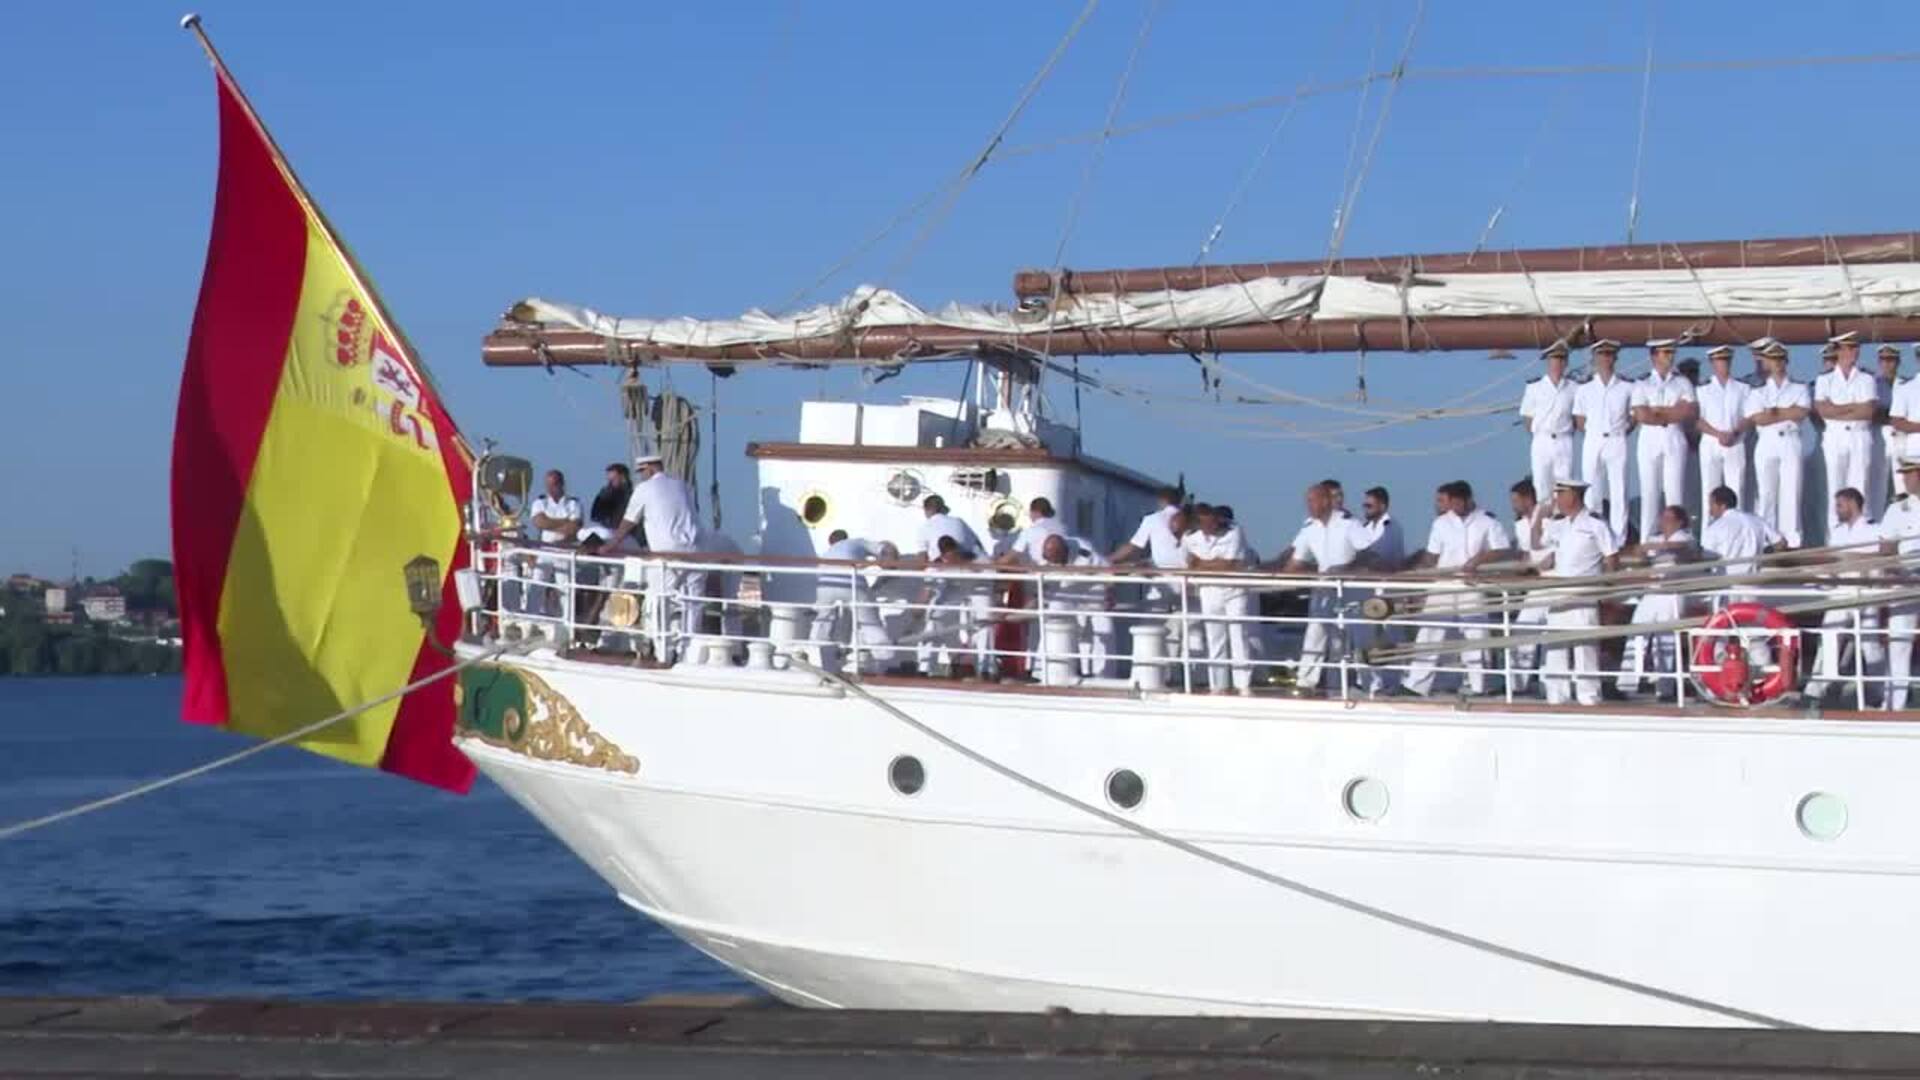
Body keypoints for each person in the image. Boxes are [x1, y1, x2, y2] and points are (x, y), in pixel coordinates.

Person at [1402, 481, 1509, 697]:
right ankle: (1417, 684)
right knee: (1430, 632)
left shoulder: (1487, 521)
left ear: (1467, 499)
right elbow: (1432, 555)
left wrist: (1478, 560)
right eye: (1450, 503)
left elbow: (1501, 549)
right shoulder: (1441, 523)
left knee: (1476, 635)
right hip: (1444, 583)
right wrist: (1418, 577)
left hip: (1472, 585)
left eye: (1457, 503)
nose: (1453, 507)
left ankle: (1479, 686)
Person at [1283, 482, 1383, 695]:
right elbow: (1296, 562)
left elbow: (1369, 555)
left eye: (1313, 500)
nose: (1309, 505)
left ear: (1326, 501)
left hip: (1352, 590)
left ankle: (1371, 686)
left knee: (1358, 638)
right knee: (1315, 633)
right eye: (1308, 501)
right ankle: (1307, 683)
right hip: (1324, 590)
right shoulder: (1310, 528)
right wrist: (1271, 575)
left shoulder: (1350, 524)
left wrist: (1345, 568)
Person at [603, 453, 705, 659]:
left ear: (650, 468)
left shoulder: (644, 489)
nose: (641, 475)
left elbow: (629, 522)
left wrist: (610, 545)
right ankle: (689, 651)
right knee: (692, 602)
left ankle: (662, 651)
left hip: (666, 554)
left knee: (658, 600)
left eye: (642, 471)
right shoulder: (682, 485)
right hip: (695, 550)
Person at [1535, 479, 1621, 706]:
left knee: (1585, 649)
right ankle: (1557, 696)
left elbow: (1612, 556)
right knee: (1556, 647)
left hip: (1584, 593)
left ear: (1574, 495)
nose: (1557, 499)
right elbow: (1538, 544)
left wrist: (1607, 586)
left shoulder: (1595, 524)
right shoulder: (1560, 525)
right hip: (1559, 592)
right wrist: (1539, 517)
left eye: (1561, 494)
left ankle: (1589, 696)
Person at [1804, 488, 1885, 704]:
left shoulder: (1874, 530)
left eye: (1839, 505)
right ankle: (1819, 687)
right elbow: (1832, 562)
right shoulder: (1838, 532)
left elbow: (1880, 561)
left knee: (1869, 642)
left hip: (1866, 592)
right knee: (1829, 636)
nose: (1836, 510)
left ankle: (1880, 691)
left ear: (1852, 504)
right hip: (1841, 591)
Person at [1617, 505, 1696, 700]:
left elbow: (1680, 547)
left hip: (1672, 594)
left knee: (1665, 641)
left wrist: (1653, 547)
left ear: (1679, 522)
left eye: (1669, 519)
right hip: (1652, 592)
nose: (1664, 522)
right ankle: (1626, 685)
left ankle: (1665, 688)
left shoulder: (1685, 537)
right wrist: (1643, 550)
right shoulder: (1656, 539)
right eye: (1663, 518)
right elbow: (1638, 552)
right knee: (1636, 633)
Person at [1743, 338, 1810, 548]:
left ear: (1786, 361)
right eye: (1773, 359)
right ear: (1766, 362)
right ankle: (1768, 539)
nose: (1778, 363)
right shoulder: (1758, 391)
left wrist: (1773, 412)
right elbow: (1757, 418)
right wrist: (1786, 412)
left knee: (1792, 490)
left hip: (1790, 439)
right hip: (1767, 440)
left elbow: (1801, 413)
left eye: (1781, 359)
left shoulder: (1799, 387)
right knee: (1766, 493)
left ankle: (1792, 540)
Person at [1182, 503, 1254, 694]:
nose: (1212, 526)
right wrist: (1211, 564)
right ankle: (1218, 685)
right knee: (1215, 638)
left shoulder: (1234, 531)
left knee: (1239, 635)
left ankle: (1243, 685)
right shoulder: (1190, 538)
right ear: (1198, 524)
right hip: (1209, 590)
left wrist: (1202, 564)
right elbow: (1189, 565)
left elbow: (1230, 564)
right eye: (1206, 523)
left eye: (1213, 521)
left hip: (1234, 590)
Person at [1630, 339, 1696, 542]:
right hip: (1650, 437)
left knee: (1675, 490)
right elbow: (1641, 414)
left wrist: (1658, 411)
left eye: (1671, 352)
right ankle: (1647, 539)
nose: (1670, 356)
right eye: (1665, 352)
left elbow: (1688, 411)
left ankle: (1678, 538)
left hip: (1674, 435)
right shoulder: (1642, 383)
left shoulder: (1682, 382)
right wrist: (1671, 411)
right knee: (1649, 491)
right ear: (1654, 356)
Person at [1815, 331, 1878, 531]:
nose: (1854, 351)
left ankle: (1861, 532)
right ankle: (1835, 531)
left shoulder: (1867, 378)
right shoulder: (1825, 379)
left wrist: (1837, 409)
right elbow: (1823, 410)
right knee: (1835, 484)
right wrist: (1853, 407)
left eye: (1856, 347)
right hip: (1835, 436)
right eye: (1849, 348)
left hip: (1859, 435)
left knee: (1860, 485)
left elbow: (1868, 411)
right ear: (1839, 351)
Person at [1573, 339, 1635, 539]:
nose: (1606, 359)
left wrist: (1623, 431)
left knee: (1619, 489)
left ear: (1615, 358)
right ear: (1595, 358)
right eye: (1602, 355)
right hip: (1593, 438)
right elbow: (1579, 419)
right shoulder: (1584, 388)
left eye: (1609, 355)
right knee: (1592, 490)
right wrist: (1593, 433)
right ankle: (1595, 536)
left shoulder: (1627, 386)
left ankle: (1619, 537)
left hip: (1617, 439)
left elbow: (1633, 415)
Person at [811, 529, 894, 673]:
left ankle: (817, 657)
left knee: (823, 621)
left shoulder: (827, 554)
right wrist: (884, 562)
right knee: (869, 622)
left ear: (831, 542)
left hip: (825, 585)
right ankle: (884, 661)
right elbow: (885, 549)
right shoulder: (858, 542)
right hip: (851, 583)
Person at [1879, 459, 1920, 710]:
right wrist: (1891, 570)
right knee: (1899, 642)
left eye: (1909, 473)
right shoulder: (1898, 509)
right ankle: (1895, 704)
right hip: (1906, 580)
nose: (1904, 479)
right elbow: (1886, 547)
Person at [1506, 479, 1553, 692]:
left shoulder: (1549, 518)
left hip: (1553, 579)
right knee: (1525, 629)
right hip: (1536, 584)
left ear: (1527, 499)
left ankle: (1545, 684)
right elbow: (1528, 554)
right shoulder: (1519, 525)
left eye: (1516, 500)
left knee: (1547, 634)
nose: (1513, 505)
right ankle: (1517, 684)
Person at [1699, 485, 1784, 604]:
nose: (1709, 510)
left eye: (1711, 505)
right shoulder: (1757, 521)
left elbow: (1706, 559)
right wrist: (1762, 551)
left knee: (1727, 614)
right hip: (1753, 582)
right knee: (1751, 614)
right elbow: (1780, 543)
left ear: (1722, 505)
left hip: (1727, 584)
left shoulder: (1715, 528)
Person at [1696, 345, 1750, 517]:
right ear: (1712, 363)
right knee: (1709, 489)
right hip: (1711, 441)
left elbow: (1749, 416)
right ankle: (1709, 529)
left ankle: (1737, 526)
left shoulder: (1743, 388)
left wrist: (1734, 432)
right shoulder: (1702, 389)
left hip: (1735, 441)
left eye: (1726, 360)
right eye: (1719, 360)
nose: (1723, 364)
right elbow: (1697, 419)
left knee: (1737, 488)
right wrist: (1718, 434)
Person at [1520, 342, 1578, 501]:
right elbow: (1527, 418)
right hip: (1542, 439)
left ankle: (1561, 514)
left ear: (1566, 362)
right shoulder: (1534, 387)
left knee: (1564, 484)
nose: (1558, 363)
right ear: (1548, 361)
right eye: (1554, 359)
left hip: (1563, 439)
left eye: (1561, 359)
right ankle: (1545, 515)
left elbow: (1576, 416)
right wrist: (1538, 433)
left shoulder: (1574, 387)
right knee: (1541, 484)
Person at [525, 469, 583, 619]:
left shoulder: (573, 503)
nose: (551, 489)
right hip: (545, 548)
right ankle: (530, 617)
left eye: (554, 484)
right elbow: (539, 522)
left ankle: (567, 621)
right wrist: (564, 522)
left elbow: (574, 527)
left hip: (564, 549)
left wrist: (550, 523)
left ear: (562, 484)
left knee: (565, 586)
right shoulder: (540, 502)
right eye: (548, 485)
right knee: (537, 582)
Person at [1873, 344, 1904, 517]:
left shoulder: (1906, 384)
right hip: (1880, 437)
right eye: (1883, 359)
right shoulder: (1871, 384)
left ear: (1898, 361)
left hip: (1901, 437)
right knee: (1878, 486)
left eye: (1890, 359)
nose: (1887, 363)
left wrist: (1888, 414)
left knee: (1903, 484)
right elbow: (1872, 413)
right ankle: (1877, 521)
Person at [1000, 497, 1069, 564]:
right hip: (1063, 568)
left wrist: (996, 563)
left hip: (1040, 569)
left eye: (1030, 512)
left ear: (1035, 512)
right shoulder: (1062, 527)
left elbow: (1010, 556)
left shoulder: (1031, 531)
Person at [916, 494, 982, 559]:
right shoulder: (959, 521)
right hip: (969, 563)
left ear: (927, 509)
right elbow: (977, 544)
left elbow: (922, 558)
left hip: (941, 565)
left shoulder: (925, 527)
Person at [585, 463, 633, 545]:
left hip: (626, 536)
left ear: (623, 478)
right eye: (609, 480)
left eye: (613, 480)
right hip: (611, 532)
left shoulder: (631, 496)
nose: (610, 483)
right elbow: (595, 516)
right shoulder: (607, 494)